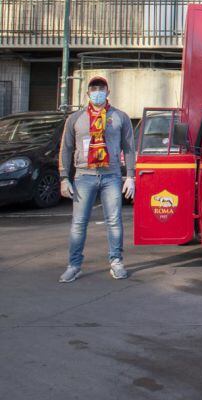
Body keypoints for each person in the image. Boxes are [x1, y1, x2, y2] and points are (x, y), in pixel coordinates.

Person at [58, 76, 136, 283]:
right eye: (94, 88)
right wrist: (64, 177)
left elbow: (128, 147)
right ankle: (74, 265)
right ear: (87, 94)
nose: (97, 92)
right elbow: (65, 148)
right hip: (84, 176)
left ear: (108, 92)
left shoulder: (120, 117)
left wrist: (130, 175)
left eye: (101, 88)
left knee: (114, 221)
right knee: (79, 223)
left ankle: (116, 261)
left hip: (111, 176)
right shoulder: (75, 118)